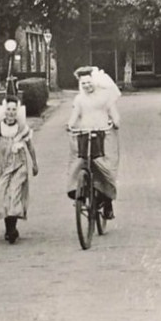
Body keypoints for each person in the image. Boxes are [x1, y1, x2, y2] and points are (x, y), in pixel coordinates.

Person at [0, 91, 38, 244]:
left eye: (13, 110)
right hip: (1, 165)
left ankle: (12, 228)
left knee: (14, 192)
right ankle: (9, 228)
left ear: (17, 111)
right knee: (3, 194)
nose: (11, 113)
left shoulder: (21, 127)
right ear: (4, 111)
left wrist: (34, 163)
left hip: (19, 164)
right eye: (8, 110)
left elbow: (30, 145)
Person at [66, 65, 120, 219]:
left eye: (89, 82)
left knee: (105, 167)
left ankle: (107, 202)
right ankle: (80, 190)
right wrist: (70, 125)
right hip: (85, 131)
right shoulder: (79, 99)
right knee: (80, 161)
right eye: (83, 83)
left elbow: (113, 113)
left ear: (94, 81)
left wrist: (115, 122)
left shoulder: (105, 96)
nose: (87, 86)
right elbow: (75, 115)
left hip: (103, 131)